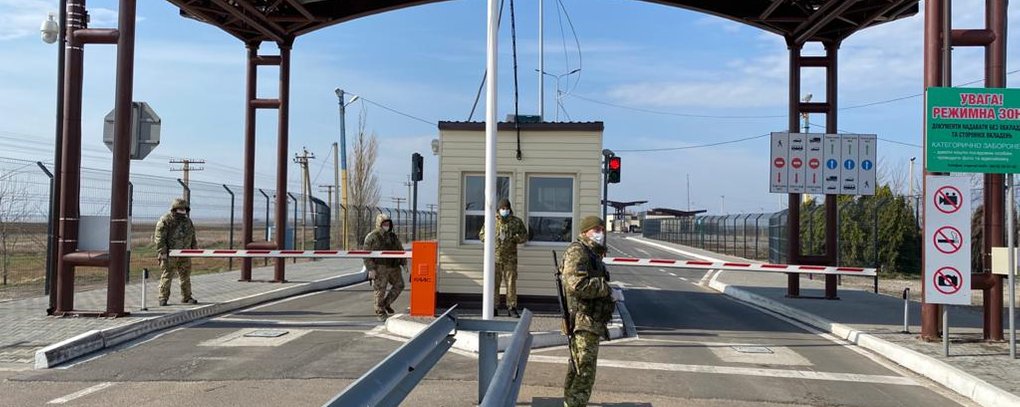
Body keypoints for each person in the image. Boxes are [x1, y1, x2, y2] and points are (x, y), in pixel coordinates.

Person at [561, 216, 621, 407]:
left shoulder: (592, 253)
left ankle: (571, 403)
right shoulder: (577, 251)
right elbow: (575, 285)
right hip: (583, 320)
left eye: (602, 229)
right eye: (596, 229)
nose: (600, 233)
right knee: (583, 373)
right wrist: (606, 288)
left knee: (580, 370)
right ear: (585, 231)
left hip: (591, 321)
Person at [479, 198, 528, 317]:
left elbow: (524, 236)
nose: (504, 210)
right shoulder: (491, 221)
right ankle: (493, 307)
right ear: (498, 209)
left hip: (510, 259)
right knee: (494, 284)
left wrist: (514, 238)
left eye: (506, 208)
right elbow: (481, 236)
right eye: (502, 208)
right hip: (494, 258)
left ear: (510, 209)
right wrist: (490, 238)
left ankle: (511, 307)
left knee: (511, 283)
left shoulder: (516, 222)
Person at [153, 198, 199, 306]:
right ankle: (163, 298)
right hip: (170, 254)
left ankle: (187, 297)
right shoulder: (166, 220)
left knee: (185, 276)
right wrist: (162, 251)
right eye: (180, 209)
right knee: (167, 276)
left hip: (185, 253)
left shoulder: (187, 221)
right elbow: (159, 237)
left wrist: (194, 247)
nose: (182, 211)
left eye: (184, 209)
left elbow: (192, 235)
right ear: (174, 209)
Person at [364, 213, 406, 321]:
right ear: (379, 224)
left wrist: (404, 262)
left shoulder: (393, 236)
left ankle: (386, 303)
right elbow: (366, 254)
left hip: (394, 267)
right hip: (380, 268)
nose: (387, 225)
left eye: (388, 223)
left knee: (399, 285)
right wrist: (371, 269)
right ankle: (380, 311)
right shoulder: (372, 237)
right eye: (384, 223)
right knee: (380, 290)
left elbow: (400, 250)